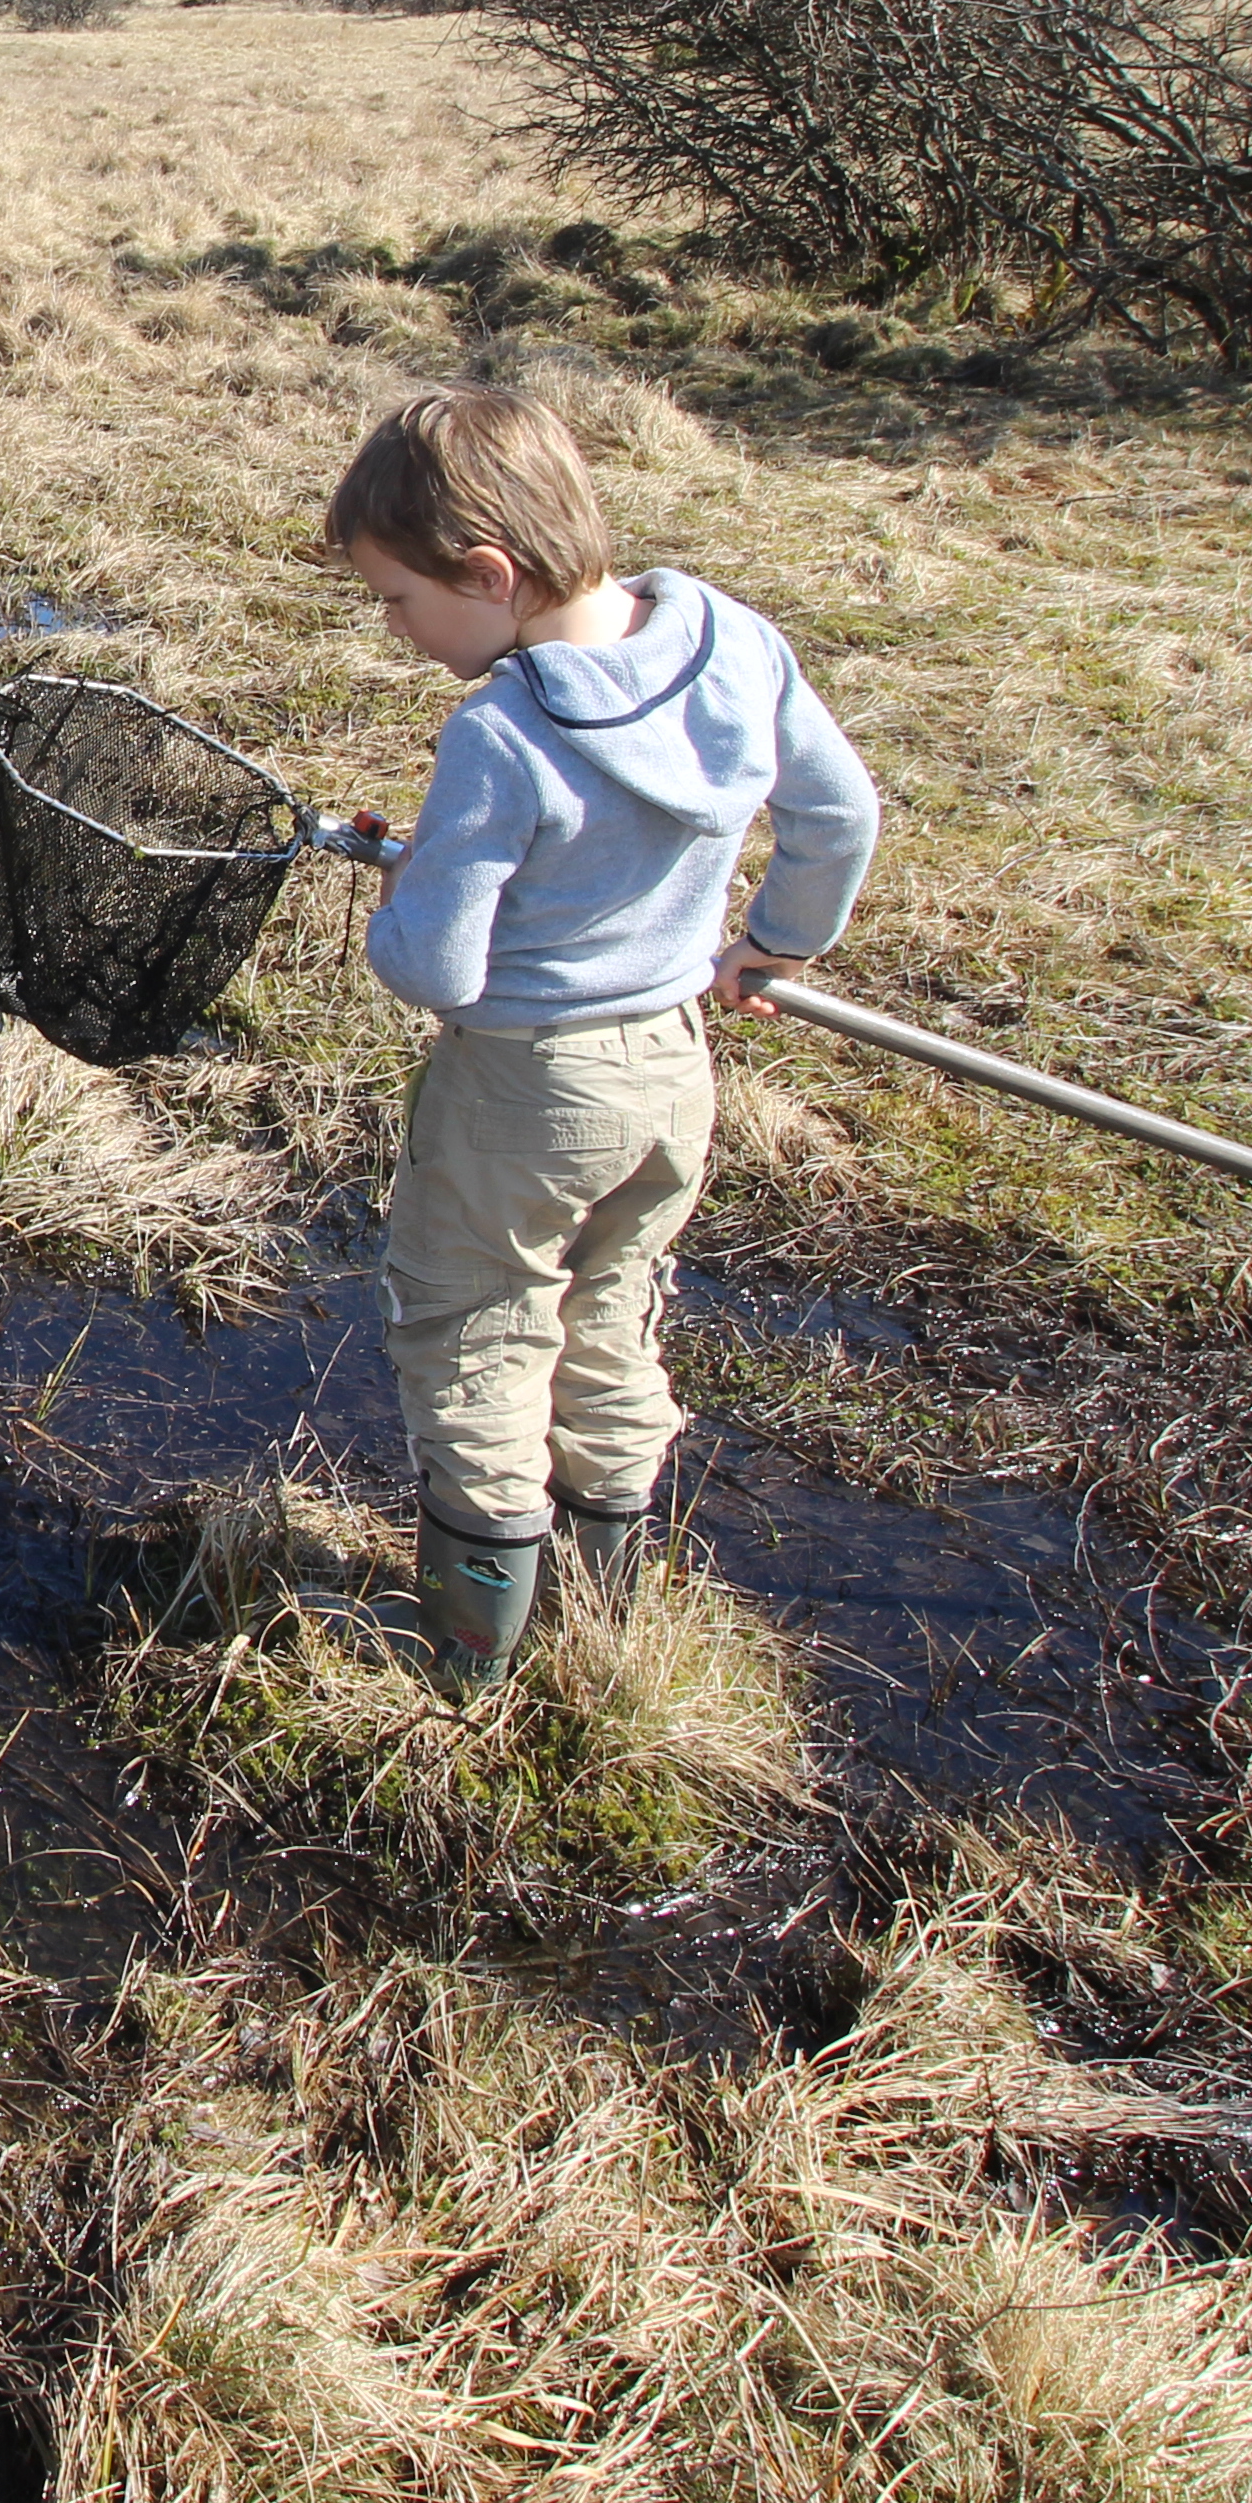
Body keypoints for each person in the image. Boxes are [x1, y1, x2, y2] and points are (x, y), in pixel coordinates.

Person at [320, 384, 879, 1693]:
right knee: (612, 1315)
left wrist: (401, 903)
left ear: (490, 573)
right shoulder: (732, 640)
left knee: (479, 1333)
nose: (397, 631)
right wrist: (777, 944)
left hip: (523, 1089)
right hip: (670, 1070)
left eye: (401, 601)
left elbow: (441, 968)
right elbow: (836, 816)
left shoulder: (503, 732)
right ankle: (600, 1608)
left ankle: (469, 1659)